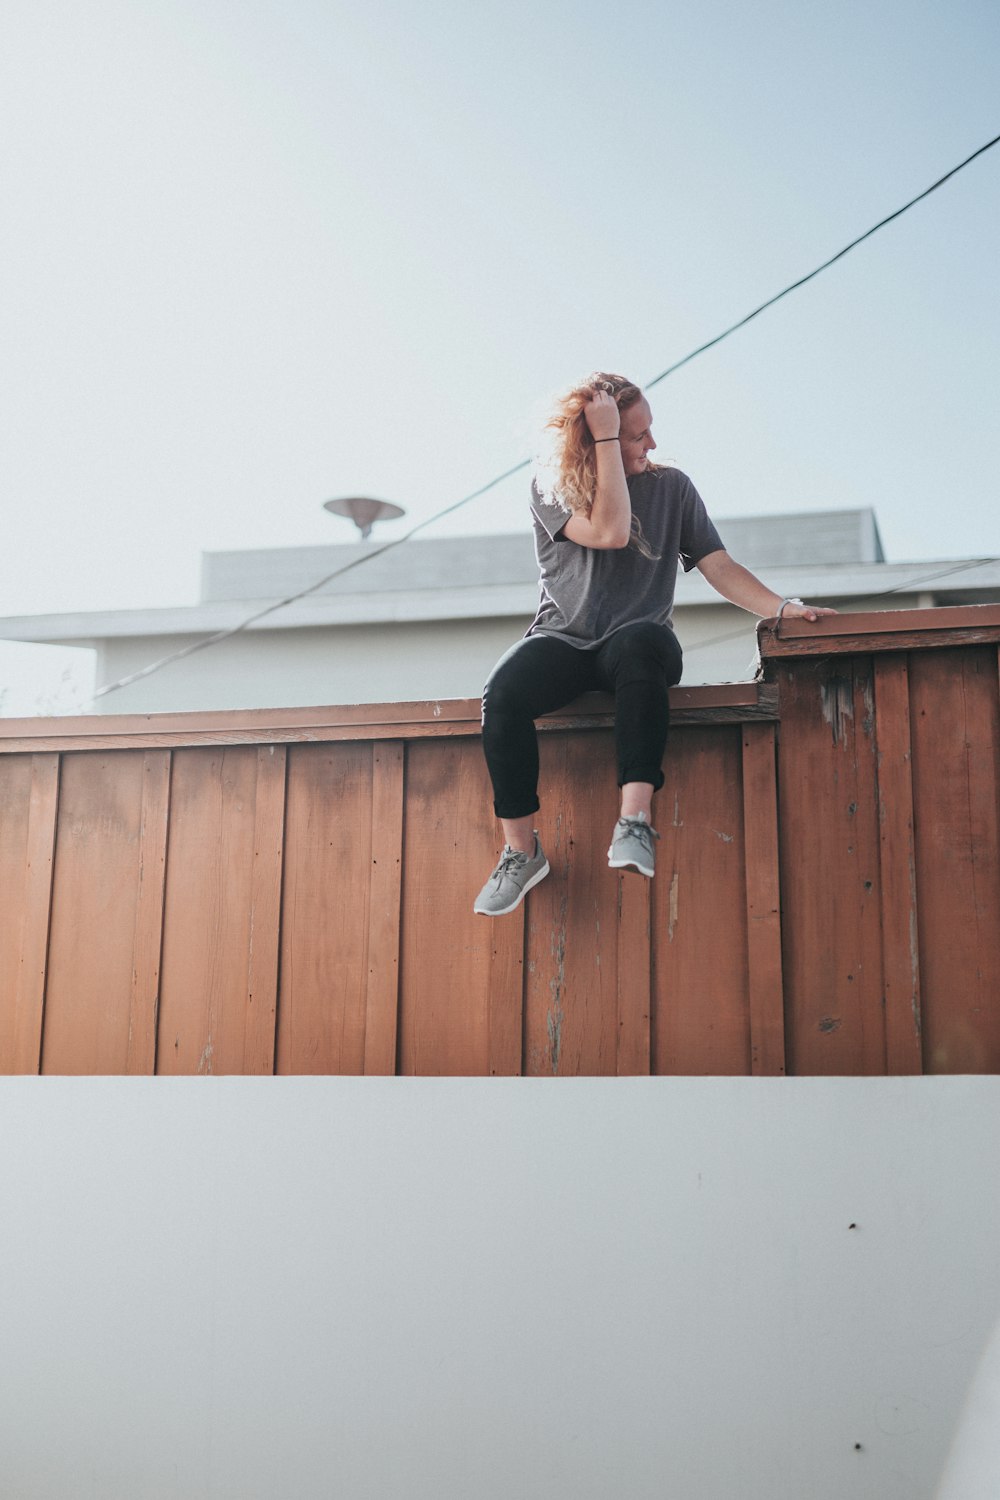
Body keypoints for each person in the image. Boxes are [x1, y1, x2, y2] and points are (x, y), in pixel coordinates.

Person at [473, 371, 836, 917]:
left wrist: (782, 608)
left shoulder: (673, 487)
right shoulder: (550, 487)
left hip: (639, 646)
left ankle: (634, 821)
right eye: (637, 435)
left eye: (647, 431)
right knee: (501, 694)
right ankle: (521, 852)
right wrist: (606, 440)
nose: (652, 444)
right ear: (595, 438)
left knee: (641, 642)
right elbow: (611, 531)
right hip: (565, 639)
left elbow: (718, 564)